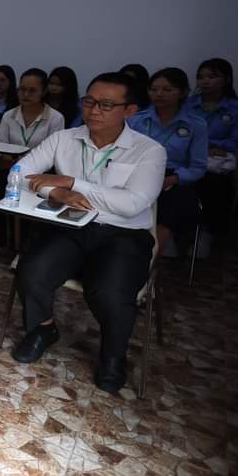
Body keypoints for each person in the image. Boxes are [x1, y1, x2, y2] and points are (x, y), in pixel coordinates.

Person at [11, 72, 164, 394]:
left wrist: (73, 183)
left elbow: (132, 203)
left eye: (106, 105)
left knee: (109, 292)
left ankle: (113, 355)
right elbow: (19, 172)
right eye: (90, 101)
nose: (94, 110)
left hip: (124, 234)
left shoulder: (149, 151)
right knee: (31, 270)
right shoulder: (64, 138)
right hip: (70, 224)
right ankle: (43, 328)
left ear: (130, 110)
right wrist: (55, 193)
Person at [0, 69, 65, 262]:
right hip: (10, 166)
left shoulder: (55, 118)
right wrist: (10, 160)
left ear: (43, 91)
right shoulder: (9, 115)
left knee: (31, 193)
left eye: (32, 90)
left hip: (39, 171)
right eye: (22, 89)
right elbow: (1, 146)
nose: (25, 94)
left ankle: (23, 250)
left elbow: (53, 153)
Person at [128, 68, 208, 257]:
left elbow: (198, 167)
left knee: (173, 208)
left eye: (167, 89)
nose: (159, 94)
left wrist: (172, 179)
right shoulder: (136, 120)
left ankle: (151, 257)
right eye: (154, 89)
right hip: (136, 173)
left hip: (172, 179)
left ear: (182, 92)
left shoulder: (196, 124)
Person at [187, 58, 238, 257]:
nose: (205, 81)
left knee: (216, 184)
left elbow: (236, 142)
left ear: (226, 79)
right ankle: (173, 231)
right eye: (201, 77)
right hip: (188, 155)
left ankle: (205, 234)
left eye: (212, 76)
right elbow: (180, 132)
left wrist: (209, 144)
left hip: (214, 162)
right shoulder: (189, 104)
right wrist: (204, 145)